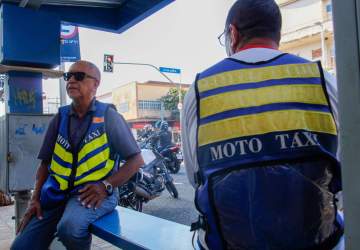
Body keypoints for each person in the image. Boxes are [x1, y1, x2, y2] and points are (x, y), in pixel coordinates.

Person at [181, 1, 343, 249]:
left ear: (232, 34)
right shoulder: (322, 79)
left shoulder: (201, 88)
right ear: (278, 33)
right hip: (319, 242)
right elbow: (345, 166)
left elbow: (195, 175)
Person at [11, 60, 144, 250]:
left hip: (92, 194)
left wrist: (105, 186)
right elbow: (45, 164)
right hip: (57, 194)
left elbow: (136, 160)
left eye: (79, 76)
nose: (71, 80)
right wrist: (35, 199)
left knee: (70, 227)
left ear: (95, 84)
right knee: (21, 247)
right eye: (68, 76)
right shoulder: (60, 118)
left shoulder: (109, 117)